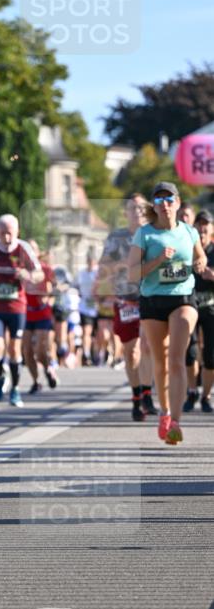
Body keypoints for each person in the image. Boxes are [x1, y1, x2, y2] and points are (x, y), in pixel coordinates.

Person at [128, 181, 207, 444]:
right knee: (160, 362)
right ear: (155, 206)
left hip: (183, 298)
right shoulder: (145, 234)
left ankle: (176, 421)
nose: (165, 205)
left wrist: (200, 262)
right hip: (153, 301)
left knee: (176, 358)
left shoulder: (189, 231)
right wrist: (158, 260)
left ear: (177, 202)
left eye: (169, 200)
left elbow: (201, 257)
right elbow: (132, 273)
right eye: (159, 201)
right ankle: (165, 412)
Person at [98, 194, 157, 420]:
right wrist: (126, 264)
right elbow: (104, 265)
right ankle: (136, 397)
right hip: (125, 300)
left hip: (150, 296)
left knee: (148, 347)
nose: (138, 211)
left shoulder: (154, 234)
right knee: (131, 351)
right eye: (133, 208)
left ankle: (147, 394)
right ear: (126, 212)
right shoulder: (117, 237)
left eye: (142, 207)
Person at [0, 214, 43, 406]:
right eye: (2, 233)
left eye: (9, 233)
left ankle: (15, 389)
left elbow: (39, 273)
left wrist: (28, 275)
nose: (6, 238)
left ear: (17, 232)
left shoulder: (24, 248)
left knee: (15, 349)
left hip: (17, 307)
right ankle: (1, 376)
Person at [22, 239, 58, 393]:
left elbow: (56, 288)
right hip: (25, 312)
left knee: (40, 349)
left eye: (33, 249)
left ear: (37, 252)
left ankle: (49, 368)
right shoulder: (21, 270)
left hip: (42, 312)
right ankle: (36, 381)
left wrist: (49, 300)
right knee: (27, 350)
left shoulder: (46, 269)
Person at [192, 209, 214, 412]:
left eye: (206, 224)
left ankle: (206, 396)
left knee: (211, 356)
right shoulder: (187, 249)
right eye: (199, 224)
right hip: (189, 306)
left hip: (210, 309)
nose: (202, 227)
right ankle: (192, 392)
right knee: (189, 352)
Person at [75, 251, 99, 366]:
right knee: (86, 331)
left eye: (92, 261)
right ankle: (86, 354)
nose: (90, 263)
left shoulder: (99, 272)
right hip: (85, 307)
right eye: (88, 261)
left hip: (98, 307)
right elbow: (76, 287)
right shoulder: (81, 273)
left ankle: (99, 354)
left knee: (99, 334)